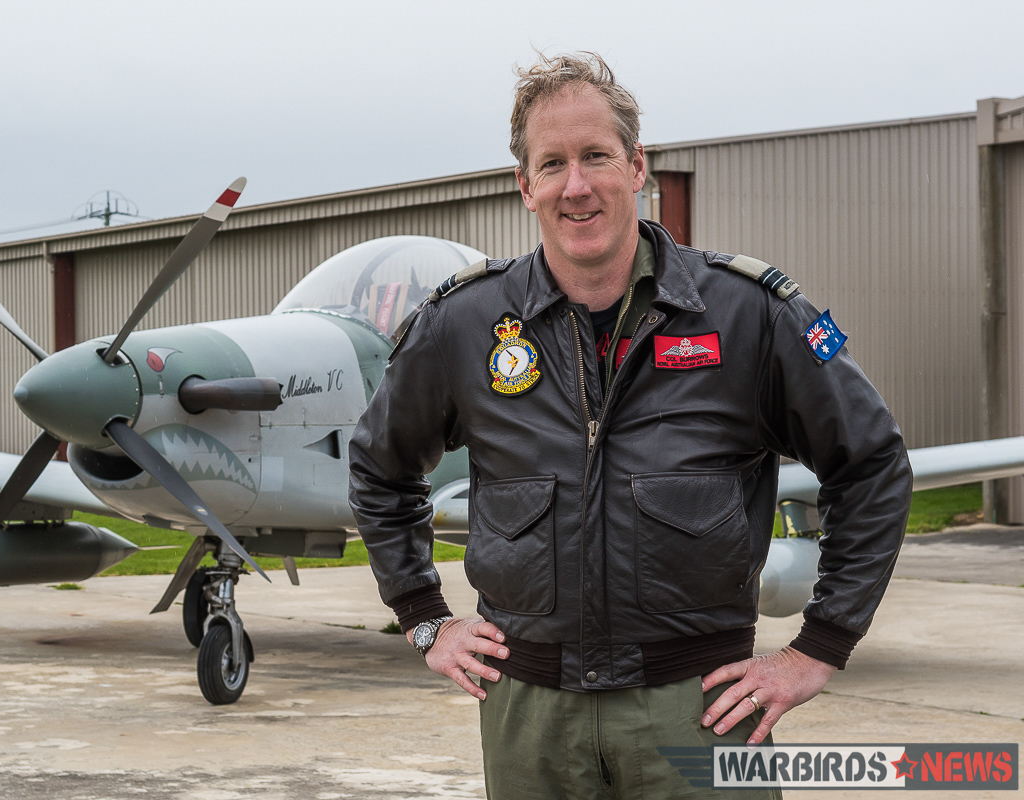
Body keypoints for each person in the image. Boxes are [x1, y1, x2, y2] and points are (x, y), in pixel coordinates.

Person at [348, 51, 912, 799]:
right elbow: (378, 467)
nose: (576, 186)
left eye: (596, 156)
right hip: (530, 717)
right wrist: (425, 618)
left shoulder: (752, 314)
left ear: (637, 166)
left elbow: (872, 464)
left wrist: (819, 646)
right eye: (552, 164)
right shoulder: (463, 323)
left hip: (701, 707)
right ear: (525, 186)